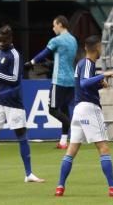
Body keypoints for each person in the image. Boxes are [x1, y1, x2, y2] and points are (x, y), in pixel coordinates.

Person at [54, 35, 113, 197]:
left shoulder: (80, 64)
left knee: (71, 150)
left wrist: (98, 85)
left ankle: (60, 186)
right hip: (89, 109)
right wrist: (105, 75)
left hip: (78, 110)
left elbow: (84, 86)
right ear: (98, 47)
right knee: (103, 148)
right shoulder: (87, 63)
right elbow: (85, 83)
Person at [0, 25, 44, 185]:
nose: (1, 43)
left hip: (13, 101)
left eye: (4, 40)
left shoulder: (15, 55)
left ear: (10, 39)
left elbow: (13, 79)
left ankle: (29, 173)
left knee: (21, 136)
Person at [27, 15, 78, 148]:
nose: (53, 28)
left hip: (59, 80)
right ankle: (63, 142)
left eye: (54, 25)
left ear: (60, 24)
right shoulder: (73, 40)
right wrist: (52, 63)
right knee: (65, 108)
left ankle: (76, 129)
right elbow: (66, 59)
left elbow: (44, 53)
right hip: (71, 80)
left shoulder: (57, 40)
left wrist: (31, 62)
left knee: (52, 110)